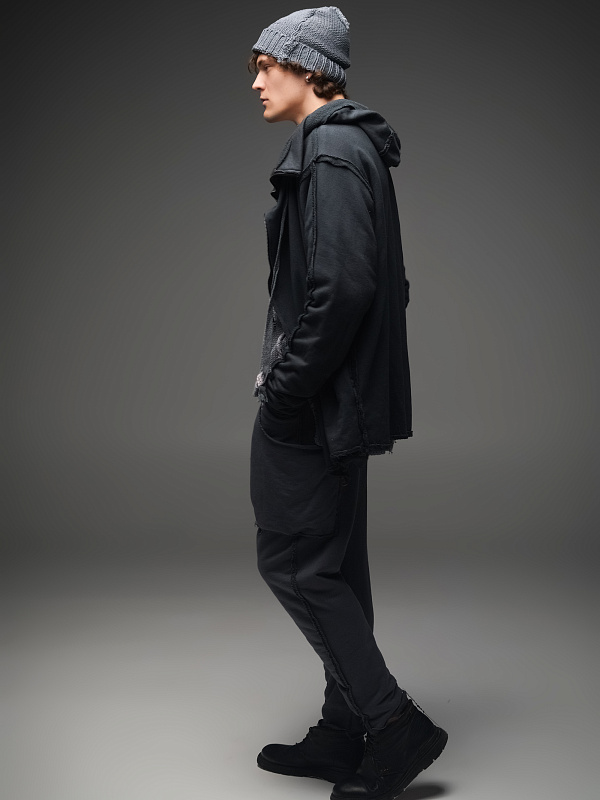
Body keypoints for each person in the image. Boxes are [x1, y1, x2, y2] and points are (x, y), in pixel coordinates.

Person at [247, 8, 448, 799]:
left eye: (266, 65)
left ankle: (394, 725)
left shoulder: (330, 151)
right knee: (331, 563)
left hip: (317, 405)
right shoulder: (349, 146)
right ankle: (344, 728)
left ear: (308, 67)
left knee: (296, 563)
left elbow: (345, 289)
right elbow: (373, 282)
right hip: (342, 400)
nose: (256, 82)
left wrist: (286, 388)